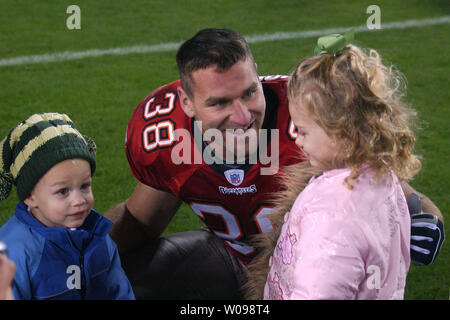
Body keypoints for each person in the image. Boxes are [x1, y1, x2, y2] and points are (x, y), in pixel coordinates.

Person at [105, 28, 444, 299]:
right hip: (231, 255)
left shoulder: (311, 119)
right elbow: (139, 222)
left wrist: (427, 222)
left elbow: (401, 196)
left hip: (307, 263)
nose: (241, 116)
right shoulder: (166, 137)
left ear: (258, 76)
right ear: (187, 103)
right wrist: (78, 255)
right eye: (220, 102)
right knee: (128, 276)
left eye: (249, 93)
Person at [256, 31, 426, 299]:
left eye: (302, 130)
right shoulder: (380, 175)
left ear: (344, 133)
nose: (297, 141)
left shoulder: (332, 218)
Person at [0, 113, 135, 300]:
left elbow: (119, 292)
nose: (79, 200)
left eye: (85, 186)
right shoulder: (13, 253)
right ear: (30, 197)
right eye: (63, 191)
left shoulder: (98, 234)